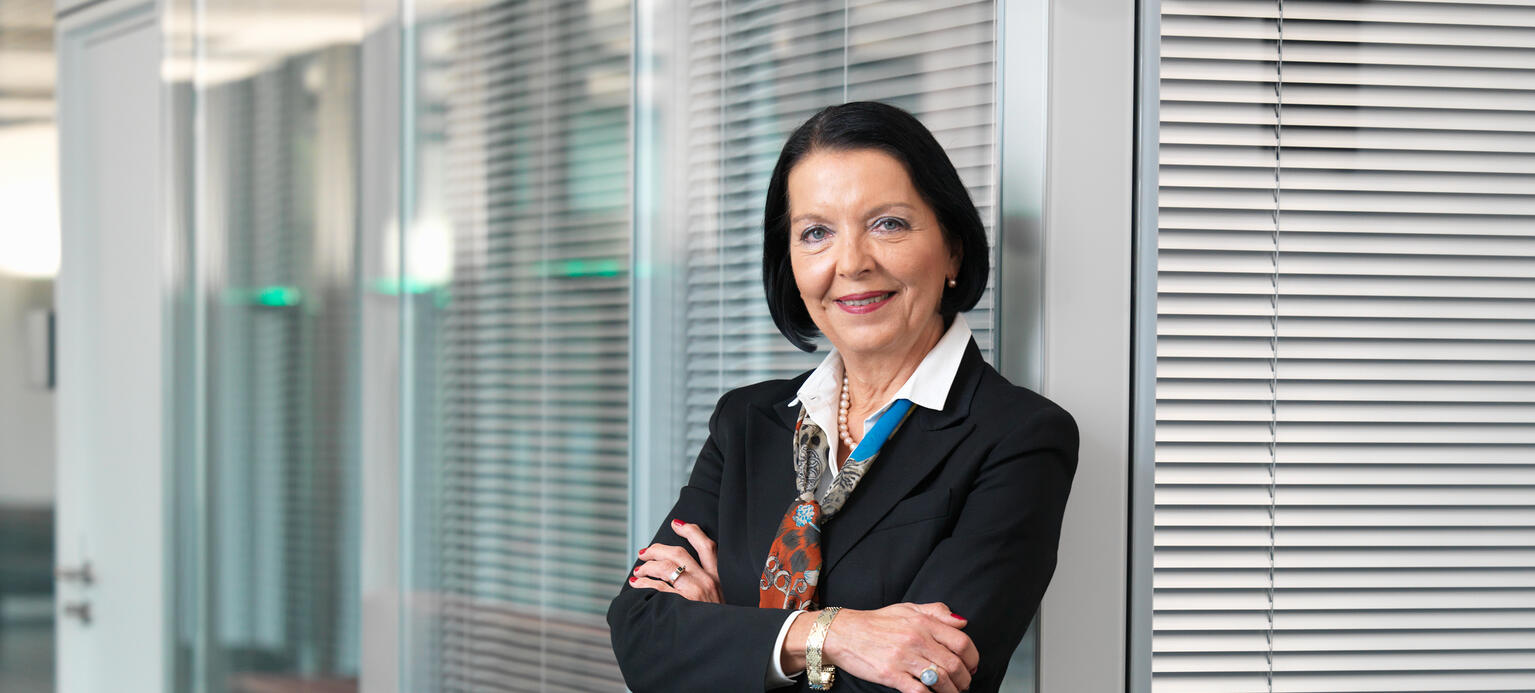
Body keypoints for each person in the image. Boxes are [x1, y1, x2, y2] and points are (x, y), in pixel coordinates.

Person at [607, 101, 1077, 693]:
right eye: (816, 233)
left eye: (888, 224)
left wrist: (725, 634)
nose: (852, 263)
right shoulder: (746, 422)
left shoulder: (1019, 438)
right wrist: (832, 634)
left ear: (953, 248)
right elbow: (643, 634)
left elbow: (920, 679)